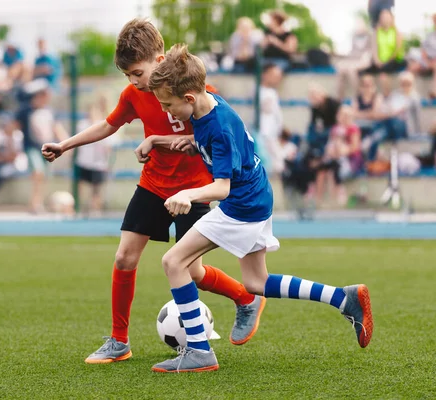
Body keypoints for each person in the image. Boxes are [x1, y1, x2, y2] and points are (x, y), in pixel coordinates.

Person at [41, 19, 266, 364]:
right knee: (124, 257)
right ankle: (119, 341)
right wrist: (65, 145)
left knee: (192, 271)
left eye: (136, 72)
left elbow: (219, 138)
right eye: (128, 76)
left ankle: (245, 298)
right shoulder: (134, 95)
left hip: (194, 191)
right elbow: (108, 124)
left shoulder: (199, 91)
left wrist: (164, 142)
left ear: (159, 60)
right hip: (153, 185)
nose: (133, 82)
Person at [147, 43, 373, 373]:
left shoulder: (219, 126)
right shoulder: (208, 107)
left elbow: (222, 187)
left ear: (190, 98)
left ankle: (199, 350)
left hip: (240, 205)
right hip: (254, 198)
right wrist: (192, 144)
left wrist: (188, 194)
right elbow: (222, 147)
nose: (168, 113)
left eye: (169, 105)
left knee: (174, 261)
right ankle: (344, 299)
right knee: (256, 282)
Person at [17, 79, 69, 213]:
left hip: (46, 148)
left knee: (43, 176)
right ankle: (35, 203)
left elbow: (56, 128)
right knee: (38, 173)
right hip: (32, 147)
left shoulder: (49, 111)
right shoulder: (26, 111)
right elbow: (14, 126)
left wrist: (66, 143)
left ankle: (38, 202)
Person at [75, 95, 119, 216]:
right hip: (83, 161)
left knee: (96, 189)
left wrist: (108, 162)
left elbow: (110, 146)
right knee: (81, 185)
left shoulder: (103, 125)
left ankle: (95, 211)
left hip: (99, 164)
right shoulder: (82, 125)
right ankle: (78, 209)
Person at [316, 106, 363, 206]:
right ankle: (318, 200)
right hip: (336, 157)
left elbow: (354, 147)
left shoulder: (353, 129)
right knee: (322, 169)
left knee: (333, 169)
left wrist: (340, 152)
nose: (344, 117)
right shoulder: (336, 129)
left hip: (350, 159)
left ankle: (337, 199)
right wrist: (333, 153)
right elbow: (330, 146)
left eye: (346, 115)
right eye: (342, 115)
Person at [407, 12, 436, 99]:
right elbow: (423, 49)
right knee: (412, 67)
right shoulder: (429, 33)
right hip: (428, 60)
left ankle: (435, 94)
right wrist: (426, 61)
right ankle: (412, 95)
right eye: (435, 19)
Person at [335, 18, 372, 100]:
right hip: (354, 60)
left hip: (364, 61)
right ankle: (339, 97)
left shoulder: (370, 37)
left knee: (351, 69)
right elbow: (351, 53)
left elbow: (369, 53)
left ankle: (358, 95)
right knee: (340, 68)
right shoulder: (354, 37)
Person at [362, 9, 406, 75]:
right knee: (363, 73)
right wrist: (377, 61)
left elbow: (396, 51)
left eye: (387, 17)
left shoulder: (397, 32)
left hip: (394, 61)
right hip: (379, 62)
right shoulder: (376, 32)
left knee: (383, 72)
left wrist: (386, 62)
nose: (385, 19)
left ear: (391, 18)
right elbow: (374, 48)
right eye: (383, 17)